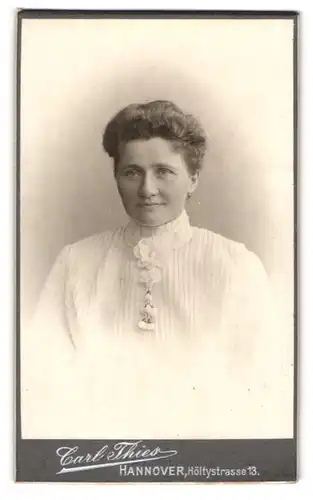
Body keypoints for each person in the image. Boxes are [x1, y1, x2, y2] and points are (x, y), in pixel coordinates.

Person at [21, 100, 292, 439]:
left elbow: (261, 391)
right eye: (132, 173)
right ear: (116, 176)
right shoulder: (75, 263)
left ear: (193, 179)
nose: (147, 190)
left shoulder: (236, 266)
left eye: (164, 172)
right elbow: (42, 385)